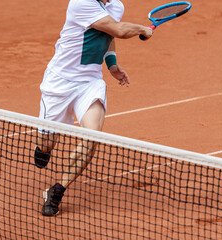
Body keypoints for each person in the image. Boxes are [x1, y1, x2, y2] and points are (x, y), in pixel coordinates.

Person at [34, 0, 153, 217]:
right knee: (46, 144)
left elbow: (109, 35)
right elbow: (118, 29)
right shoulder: (81, 3)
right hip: (59, 83)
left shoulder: (116, 6)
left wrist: (112, 64)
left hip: (89, 83)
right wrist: (142, 29)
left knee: (92, 138)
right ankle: (44, 149)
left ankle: (56, 191)